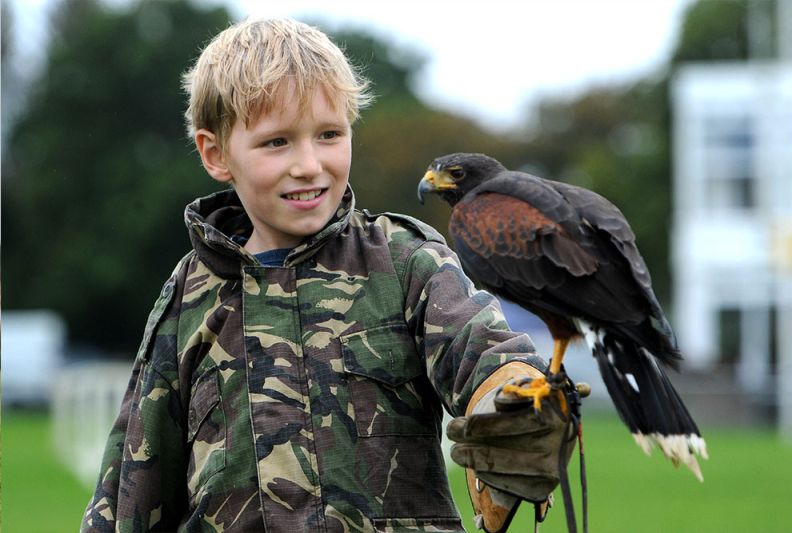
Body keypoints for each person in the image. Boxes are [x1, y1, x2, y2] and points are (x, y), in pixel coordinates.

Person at [81, 18, 576, 533]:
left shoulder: (406, 262)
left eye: (329, 134)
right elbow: (131, 487)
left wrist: (514, 397)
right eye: (277, 142)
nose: (309, 164)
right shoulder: (189, 297)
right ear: (216, 153)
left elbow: (484, 353)